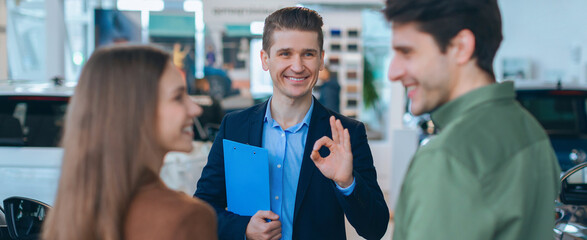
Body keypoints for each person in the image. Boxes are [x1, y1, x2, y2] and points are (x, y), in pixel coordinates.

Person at [195, 7, 389, 240]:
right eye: (285, 53)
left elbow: (375, 228)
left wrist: (347, 182)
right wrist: (244, 228)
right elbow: (201, 210)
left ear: (321, 60)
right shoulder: (234, 127)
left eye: (308, 54)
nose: (297, 66)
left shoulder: (346, 134)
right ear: (265, 59)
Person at [383, 0, 561, 239]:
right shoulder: (531, 130)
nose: (393, 72)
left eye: (407, 52)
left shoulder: (448, 157)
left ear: (461, 47)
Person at [42, 45, 217, 240]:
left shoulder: (73, 210)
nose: (195, 109)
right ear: (136, 111)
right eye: (178, 97)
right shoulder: (186, 218)